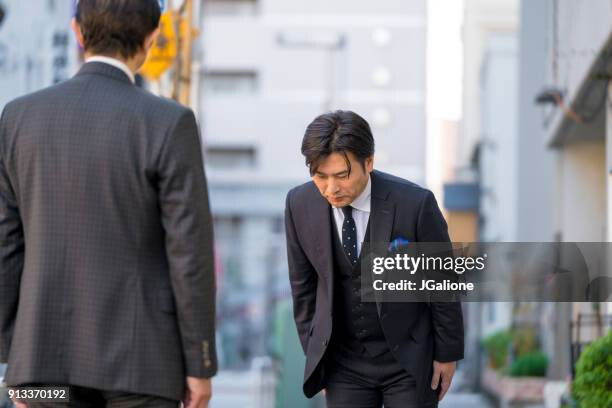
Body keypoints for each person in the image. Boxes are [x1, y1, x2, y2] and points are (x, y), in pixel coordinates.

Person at [0, 1, 216, 407]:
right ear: (151, 40)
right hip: (144, 368)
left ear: (77, 33)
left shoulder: (18, 118)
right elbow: (190, 256)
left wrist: (15, 362)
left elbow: (5, 244)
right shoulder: (169, 123)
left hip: (39, 365)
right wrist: (199, 363)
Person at [285, 110, 464, 407]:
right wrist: (316, 355)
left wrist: (447, 354)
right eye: (320, 176)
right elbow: (302, 287)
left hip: (407, 358)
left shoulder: (415, 204)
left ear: (369, 162)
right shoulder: (298, 204)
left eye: (342, 175)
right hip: (344, 363)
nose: (331, 189)